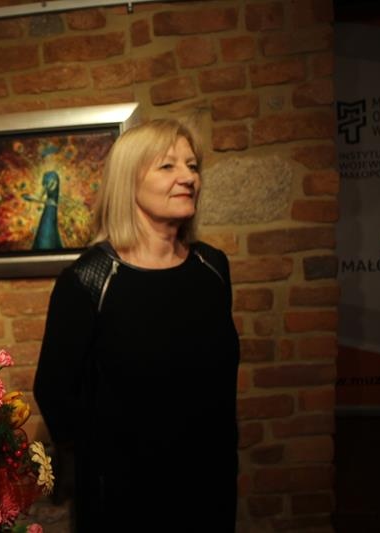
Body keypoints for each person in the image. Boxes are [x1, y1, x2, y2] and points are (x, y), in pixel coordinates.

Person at [33, 118, 239, 532]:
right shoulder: (89, 280)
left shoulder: (212, 267)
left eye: (192, 165)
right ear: (129, 181)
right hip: (124, 498)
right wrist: (103, 459)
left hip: (209, 486)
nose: (188, 177)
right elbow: (54, 391)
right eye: (168, 166)